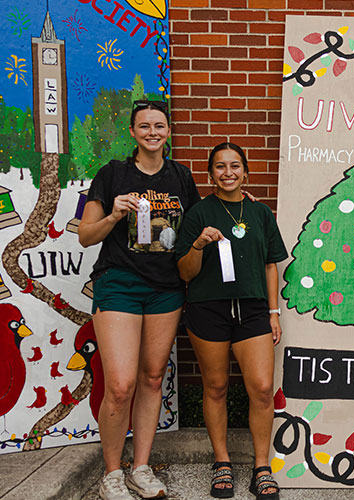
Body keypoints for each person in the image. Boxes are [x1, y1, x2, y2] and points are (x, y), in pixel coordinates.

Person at [79, 100, 201, 500]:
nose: (152, 131)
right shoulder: (113, 174)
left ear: (168, 132)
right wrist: (114, 215)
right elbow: (86, 235)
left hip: (166, 289)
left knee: (152, 377)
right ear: (132, 132)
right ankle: (112, 472)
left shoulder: (181, 177)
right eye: (144, 125)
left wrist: (242, 208)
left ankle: (141, 468)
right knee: (120, 384)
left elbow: (201, 221)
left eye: (159, 125)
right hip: (119, 284)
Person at [176, 143, 286, 500]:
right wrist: (197, 245)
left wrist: (273, 313)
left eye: (235, 166)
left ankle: (261, 465)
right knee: (216, 386)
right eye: (220, 167)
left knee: (261, 388)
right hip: (208, 309)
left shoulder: (260, 213)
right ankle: (221, 461)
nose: (228, 173)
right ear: (210, 175)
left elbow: (271, 264)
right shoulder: (198, 213)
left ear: (245, 172)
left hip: (252, 311)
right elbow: (185, 273)